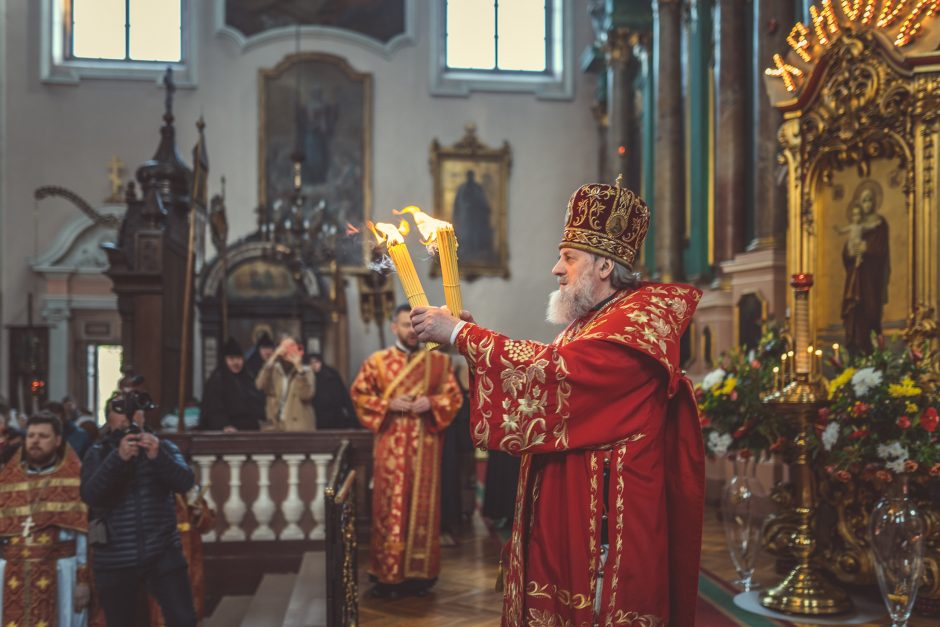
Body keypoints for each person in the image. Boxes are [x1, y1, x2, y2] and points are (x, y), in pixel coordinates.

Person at [412, 179, 705, 626]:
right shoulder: (595, 322)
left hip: (607, 527)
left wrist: (461, 335)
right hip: (571, 512)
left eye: (568, 257)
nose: (556, 268)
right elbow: (549, 371)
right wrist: (467, 343)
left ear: (605, 265)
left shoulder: (631, 331)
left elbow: (557, 374)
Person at [350, 304, 463, 597]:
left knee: (422, 509)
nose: (411, 332)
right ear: (393, 328)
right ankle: (387, 574)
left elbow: (453, 397)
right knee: (390, 507)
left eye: (415, 326)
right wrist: (386, 404)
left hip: (426, 448)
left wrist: (433, 403)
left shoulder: (439, 362)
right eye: (404, 325)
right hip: (390, 448)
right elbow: (359, 396)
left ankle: (420, 574)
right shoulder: (377, 362)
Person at [80, 389, 198, 627]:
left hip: (162, 552)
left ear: (144, 416)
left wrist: (158, 457)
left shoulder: (163, 447)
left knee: (182, 619)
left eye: (136, 409)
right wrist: (118, 458)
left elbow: (185, 482)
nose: (129, 416)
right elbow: (90, 495)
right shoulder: (98, 452)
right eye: (120, 410)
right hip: (115, 556)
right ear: (109, 419)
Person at [0, 412, 90, 627]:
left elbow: (83, 537)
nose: (35, 441)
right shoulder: (6, 480)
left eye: (43, 436)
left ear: (58, 441)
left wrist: (83, 581)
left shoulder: (74, 478)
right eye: (31, 436)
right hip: (12, 574)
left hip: (60, 572)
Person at [149, 489, 216, 626]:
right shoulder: (150, 489)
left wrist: (199, 513)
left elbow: (206, 524)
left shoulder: (187, 487)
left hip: (191, 554)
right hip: (162, 552)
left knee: (191, 600)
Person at [841, 179, 890, 356]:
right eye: (863, 200)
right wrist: (850, 252)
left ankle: (873, 350)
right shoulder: (856, 226)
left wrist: (866, 249)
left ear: (875, 201)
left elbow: (882, 249)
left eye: (869, 199)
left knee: (871, 311)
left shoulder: (879, 224)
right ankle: (855, 349)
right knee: (855, 311)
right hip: (855, 278)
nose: (867, 204)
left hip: (872, 279)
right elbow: (846, 255)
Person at [200, 337, 266, 432]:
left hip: (250, 432)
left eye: (239, 358)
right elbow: (213, 410)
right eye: (231, 359)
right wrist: (224, 425)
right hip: (227, 433)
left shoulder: (247, 377)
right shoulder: (217, 379)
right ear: (224, 360)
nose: (236, 362)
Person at [256, 337, 317, 431]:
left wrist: (299, 369)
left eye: (292, 346)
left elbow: (306, 395)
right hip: (277, 426)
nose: (288, 350)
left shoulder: (306, 371)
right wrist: (273, 357)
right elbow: (260, 385)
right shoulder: (274, 369)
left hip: (299, 428)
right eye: (285, 347)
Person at [452, 169, 495, 264]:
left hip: (476, 217)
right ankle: (465, 251)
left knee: (475, 233)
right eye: (469, 175)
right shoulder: (462, 188)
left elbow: (482, 201)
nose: (470, 177)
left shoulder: (478, 188)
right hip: (465, 216)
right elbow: (457, 203)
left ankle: (475, 250)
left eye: (471, 175)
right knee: (465, 233)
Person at [308, 352, 360, 429]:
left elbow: (344, 396)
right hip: (318, 418)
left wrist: (353, 418)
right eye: (311, 363)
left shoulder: (331, 375)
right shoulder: (308, 377)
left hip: (334, 417)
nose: (314, 365)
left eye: (316, 362)